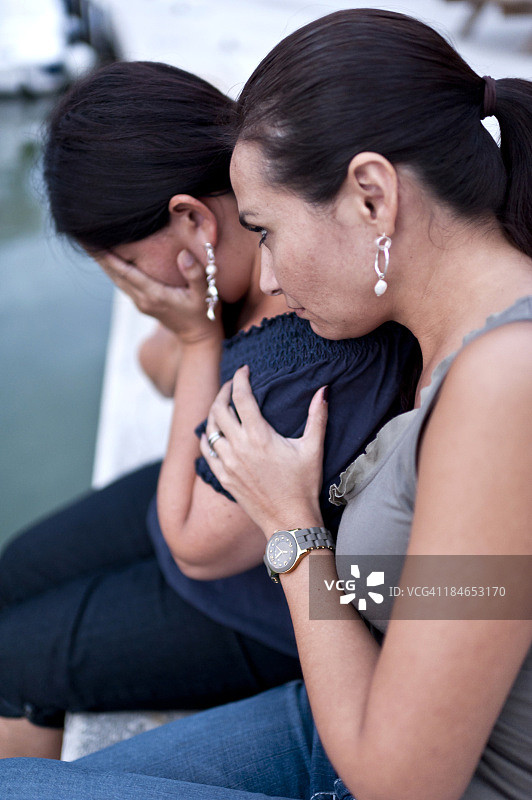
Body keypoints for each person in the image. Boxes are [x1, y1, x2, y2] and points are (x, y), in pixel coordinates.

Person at [2, 9, 529, 798]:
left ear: (372, 198)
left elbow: (406, 781)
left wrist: (292, 530)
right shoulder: (452, 335)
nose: (271, 275)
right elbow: (461, 594)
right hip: (354, 695)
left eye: (268, 230)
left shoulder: (503, 385)